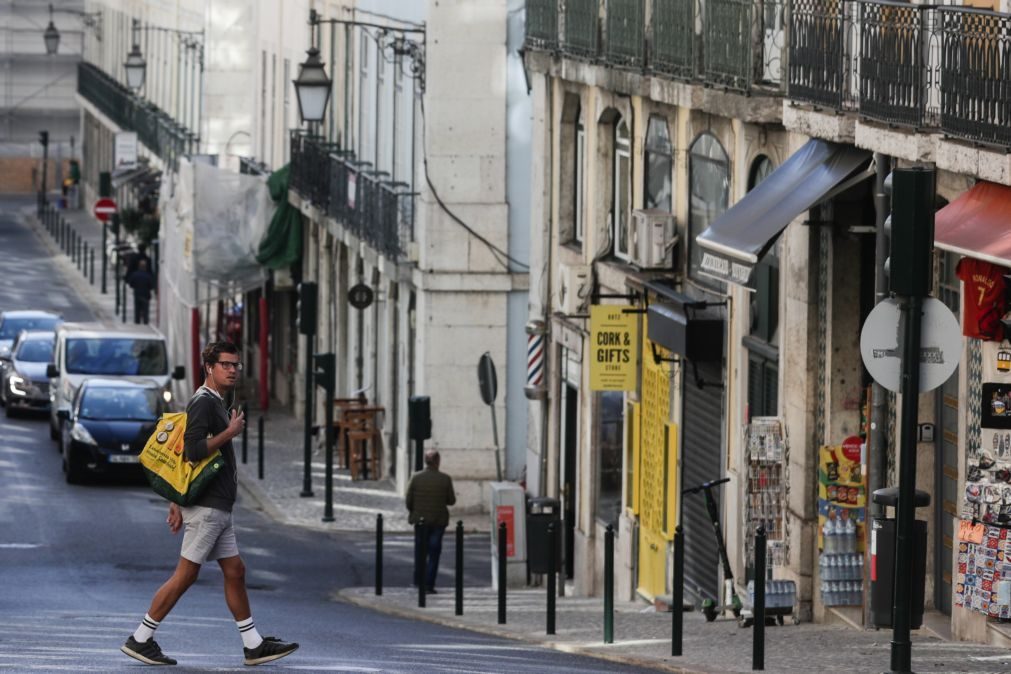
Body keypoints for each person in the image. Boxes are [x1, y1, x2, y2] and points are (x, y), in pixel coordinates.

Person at [122, 341, 298, 667]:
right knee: (185, 575)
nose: (232, 370)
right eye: (226, 365)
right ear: (210, 368)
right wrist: (230, 432)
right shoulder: (203, 403)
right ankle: (141, 638)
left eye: (236, 365)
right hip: (208, 509)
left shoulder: (216, 400)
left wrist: (176, 500)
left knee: (235, 571)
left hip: (217, 507)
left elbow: (187, 462)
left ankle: (253, 644)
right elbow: (192, 451)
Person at [405, 450, 456, 593]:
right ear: (437, 461)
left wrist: (415, 511)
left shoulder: (416, 477)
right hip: (438, 521)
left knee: (420, 552)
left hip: (420, 521)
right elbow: (451, 501)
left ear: (425, 461)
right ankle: (429, 584)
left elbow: (408, 501)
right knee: (434, 553)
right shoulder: (445, 479)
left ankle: (417, 581)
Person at [126, 259, 155, 324]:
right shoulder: (148, 276)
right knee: (145, 309)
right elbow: (151, 286)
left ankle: (137, 321)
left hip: (137, 293)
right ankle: (145, 321)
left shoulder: (135, 275)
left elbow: (131, 284)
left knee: (137, 309)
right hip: (145, 294)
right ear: (145, 267)